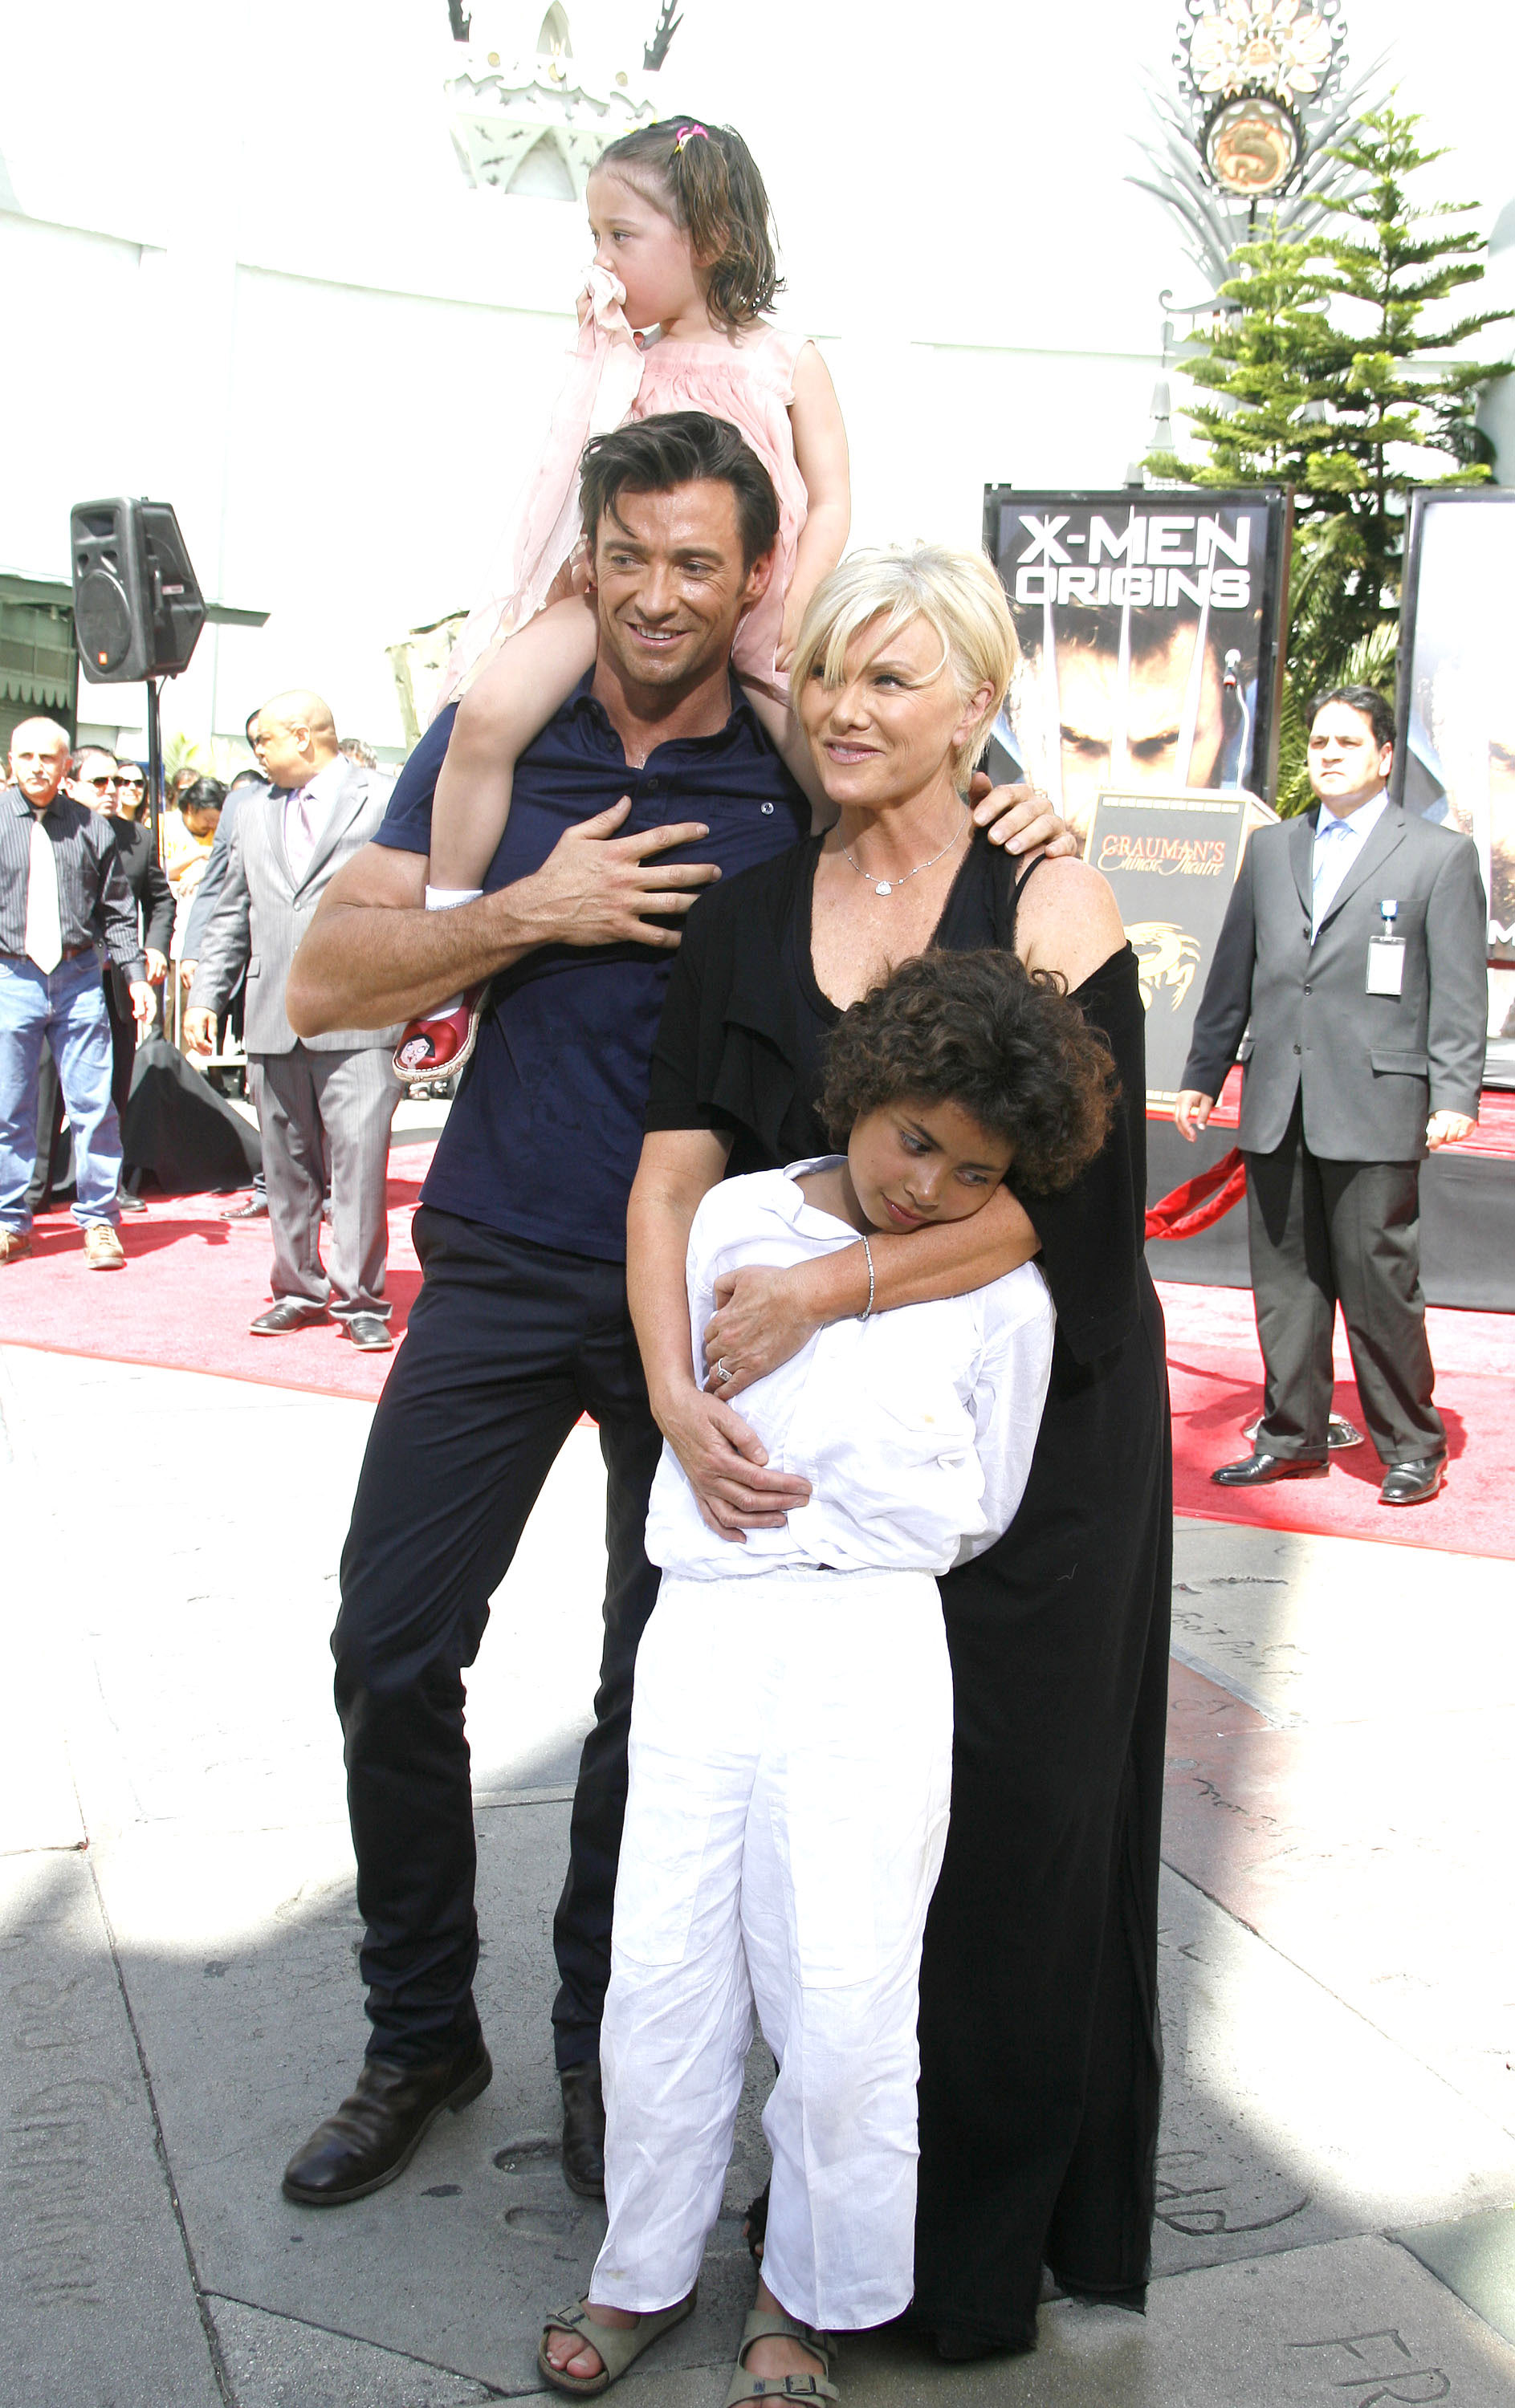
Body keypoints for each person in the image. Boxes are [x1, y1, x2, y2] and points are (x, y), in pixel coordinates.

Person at [279, 416, 1066, 2217]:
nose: (656, 593)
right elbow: (324, 978)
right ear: (588, 554)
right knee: (389, 1649)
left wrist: (1029, 800)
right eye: (628, 555)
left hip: (717, 1302)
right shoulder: (492, 746)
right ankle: (418, 2031)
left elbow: (951, 811)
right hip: (495, 1255)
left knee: (654, 1701)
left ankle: (590, 2033)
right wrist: (529, 912)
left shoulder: (798, 756)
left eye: (696, 563)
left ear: (747, 581)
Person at [629, 543, 1171, 2360]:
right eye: (828, 677)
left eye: (894, 680)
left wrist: (825, 1291)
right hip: (788, 1475)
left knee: (1007, 1846)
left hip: (1033, 1445)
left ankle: (952, 2262)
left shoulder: (1050, 890)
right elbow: (677, 1161)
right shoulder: (743, 904)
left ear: (974, 705)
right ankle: (763, 2230)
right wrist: (674, 1384)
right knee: (783, 1873)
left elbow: (1065, 1220)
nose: (847, 713)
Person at [539, 949, 1114, 2403]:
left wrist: (859, 1539)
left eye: (973, 1174)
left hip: (873, 1640)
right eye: (912, 1138)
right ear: (861, 1091)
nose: (926, 1186)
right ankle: (641, 2267)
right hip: (709, 1623)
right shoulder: (734, 1213)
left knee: (848, 1975)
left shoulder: (1003, 1302)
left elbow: (985, 1493)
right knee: (663, 1953)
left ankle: (807, 2288)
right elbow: (673, 1388)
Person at [395, 114, 850, 1079]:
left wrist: (799, 602)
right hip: (616, 597)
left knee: (829, 783)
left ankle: (812, 965)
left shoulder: (787, 357)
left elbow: (836, 493)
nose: (601, 261)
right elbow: (569, 469)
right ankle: (448, 943)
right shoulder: (620, 356)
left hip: (762, 609)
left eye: (620, 238)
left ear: (711, 239)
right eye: (593, 238)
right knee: (487, 716)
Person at [1176, 684, 1487, 1507]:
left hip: (1379, 1102)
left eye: (1348, 742)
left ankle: (1412, 1444)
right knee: (1286, 1285)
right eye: (1318, 741)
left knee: (1380, 1283)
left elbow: (1459, 991)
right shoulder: (1273, 849)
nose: (1328, 753)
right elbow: (1232, 973)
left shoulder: (1437, 856)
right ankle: (1291, 1437)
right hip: (1280, 1098)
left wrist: (1454, 1091)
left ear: (1386, 757)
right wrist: (1203, 1075)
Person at [184, 693, 399, 1349]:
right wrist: (205, 997)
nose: (257, 754)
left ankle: (359, 1296)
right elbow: (228, 911)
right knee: (285, 1165)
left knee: (360, 1165)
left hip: (363, 1013)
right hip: (272, 1013)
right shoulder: (249, 814)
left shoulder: (387, 798)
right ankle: (295, 1288)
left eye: (264, 742)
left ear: (304, 736)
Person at [0, 720, 154, 1267]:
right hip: (11, 977)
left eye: (49, 757)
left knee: (94, 1107)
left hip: (79, 977)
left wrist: (135, 976)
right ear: (10, 761)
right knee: (9, 1108)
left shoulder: (93, 828)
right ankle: (9, 1221)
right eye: (27, 756)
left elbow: (117, 914)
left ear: (67, 767)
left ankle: (98, 1221)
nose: (37, 766)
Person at [182, 761, 273, 1218]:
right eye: (257, 742)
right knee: (260, 1084)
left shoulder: (357, 795)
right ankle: (267, 1184)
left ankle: (333, 1192)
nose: (263, 750)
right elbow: (220, 888)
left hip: (328, 971)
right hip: (254, 967)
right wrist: (196, 956)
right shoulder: (241, 805)